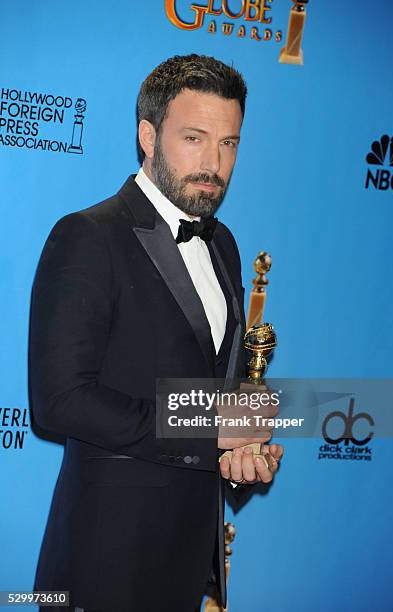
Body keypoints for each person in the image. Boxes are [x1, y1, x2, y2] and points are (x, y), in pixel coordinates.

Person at [29, 54, 284, 612]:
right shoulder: (88, 236)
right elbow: (59, 400)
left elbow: (219, 394)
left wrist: (242, 453)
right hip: (102, 560)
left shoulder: (225, 246)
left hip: (190, 559)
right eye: (194, 138)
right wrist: (207, 430)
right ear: (148, 135)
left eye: (229, 143)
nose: (213, 163)